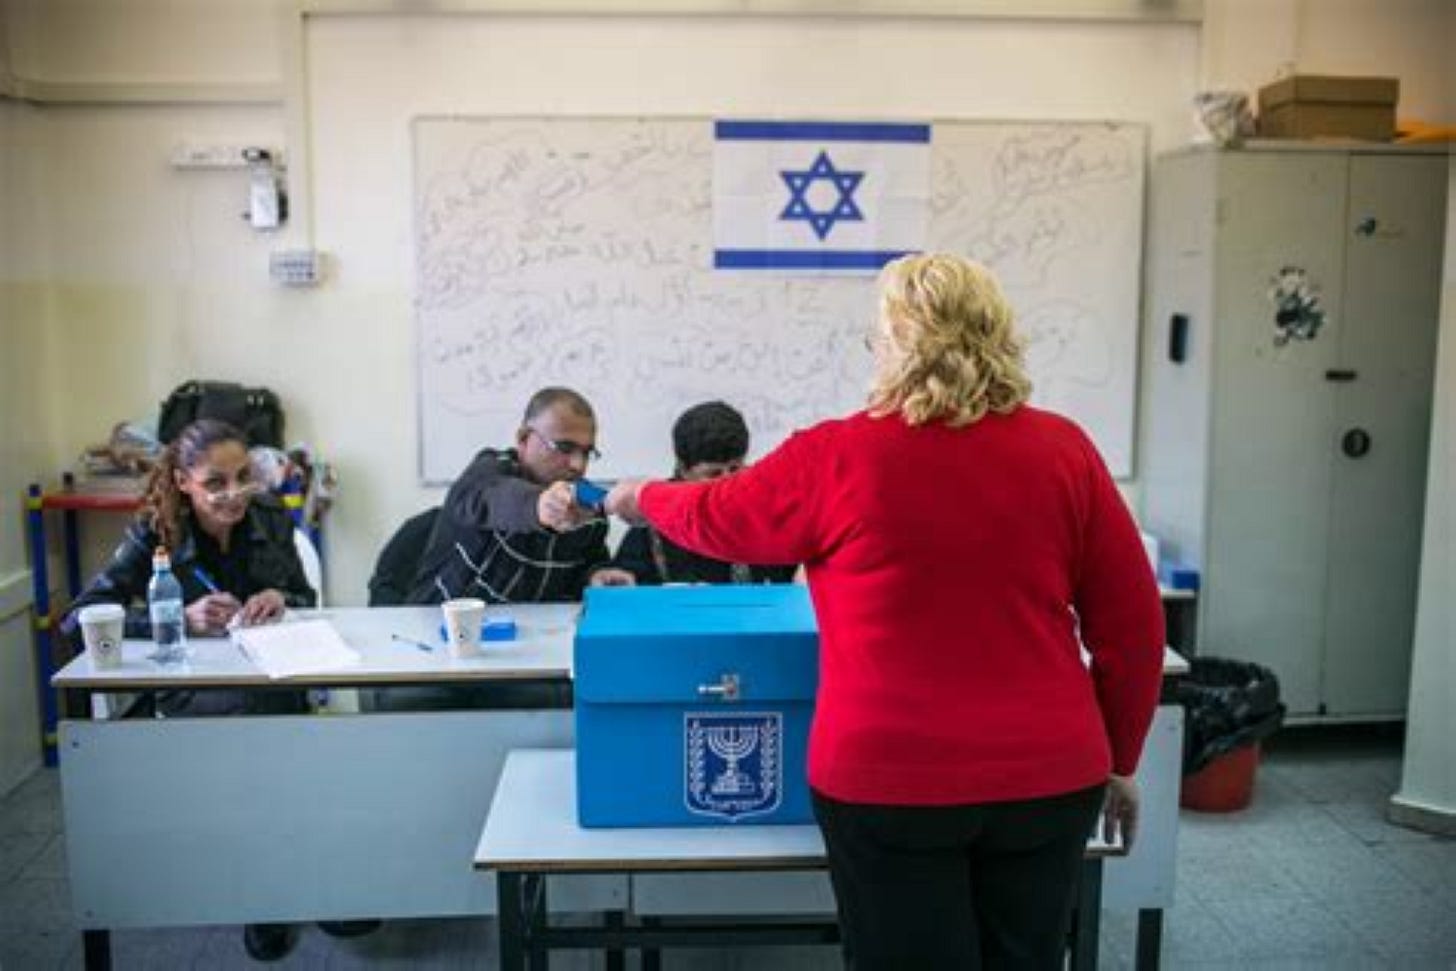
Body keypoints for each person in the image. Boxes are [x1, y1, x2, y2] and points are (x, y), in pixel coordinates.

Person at [605, 253, 1165, 970]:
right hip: (1050, 777)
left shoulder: (837, 456)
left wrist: (638, 495)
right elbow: (1135, 624)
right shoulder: (1066, 450)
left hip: (889, 780)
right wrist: (1120, 756)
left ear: (897, 343)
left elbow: (718, 514)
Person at [58, 418, 358, 962]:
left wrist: (277, 597)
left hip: (270, 677)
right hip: (194, 692)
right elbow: (79, 617)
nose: (234, 493)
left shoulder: (267, 513)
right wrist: (174, 616)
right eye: (215, 483)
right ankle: (266, 897)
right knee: (267, 748)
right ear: (182, 483)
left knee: (294, 741)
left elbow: (304, 595)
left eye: (243, 476)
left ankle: (317, 879)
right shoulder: (155, 530)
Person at [407, 386, 633, 604]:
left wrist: (596, 577)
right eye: (564, 448)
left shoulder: (587, 507)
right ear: (524, 439)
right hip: (441, 629)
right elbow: (483, 496)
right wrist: (539, 505)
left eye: (586, 452)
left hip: (534, 636)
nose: (578, 465)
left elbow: (585, 567)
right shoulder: (489, 471)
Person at [613, 400, 796, 586]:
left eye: (735, 469)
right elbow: (624, 586)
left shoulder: (769, 510)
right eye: (713, 474)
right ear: (683, 471)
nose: (728, 484)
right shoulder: (650, 524)